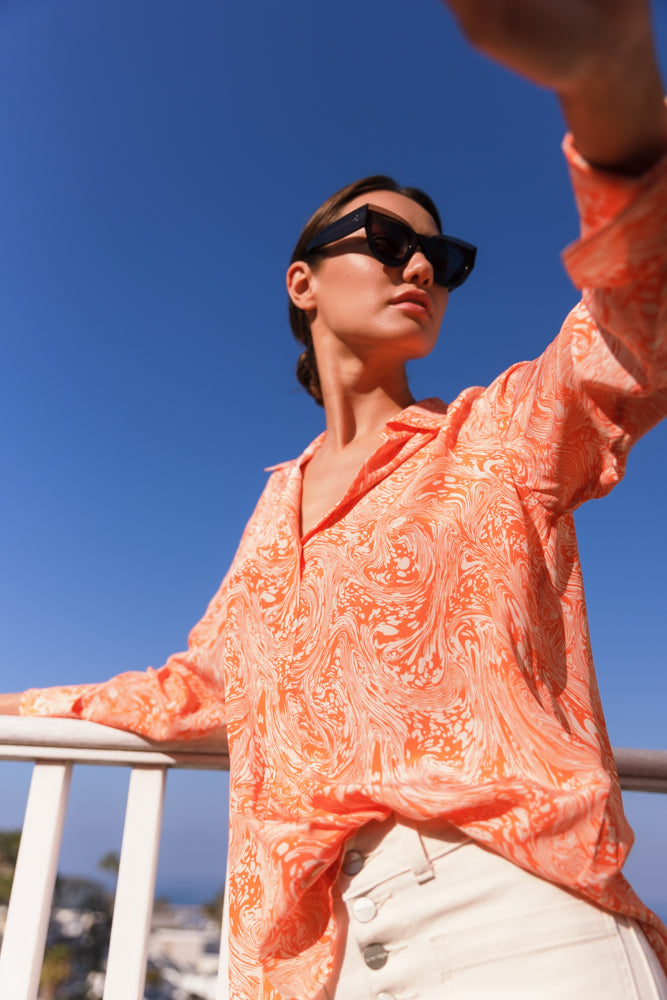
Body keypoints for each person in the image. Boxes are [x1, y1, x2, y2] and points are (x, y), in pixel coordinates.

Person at [2, 0, 667, 997]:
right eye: (386, 238)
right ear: (301, 281)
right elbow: (199, 688)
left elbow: (635, 321)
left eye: (442, 261)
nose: (418, 268)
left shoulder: (497, 435)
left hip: (516, 918)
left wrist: (610, 83)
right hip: (313, 952)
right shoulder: (273, 512)